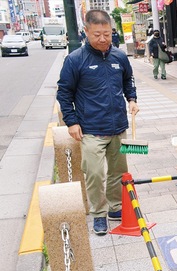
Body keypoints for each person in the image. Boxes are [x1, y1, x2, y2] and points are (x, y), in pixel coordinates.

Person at [56, 9, 139, 236]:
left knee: (118, 171)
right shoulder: (75, 60)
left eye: (106, 34)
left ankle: (116, 207)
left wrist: (132, 99)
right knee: (94, 173)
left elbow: (128, 80)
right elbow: (64, 94)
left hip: (119, 127)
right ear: (86, 32)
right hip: (91, 129)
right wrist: (71, 123)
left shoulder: (119, 57)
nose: (102, 39)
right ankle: (98, 214)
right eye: (96, 34)